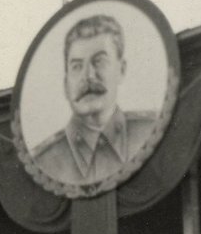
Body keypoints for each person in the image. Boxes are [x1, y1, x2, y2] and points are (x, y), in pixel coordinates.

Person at [31, 14, 157, 186]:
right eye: (77, 66)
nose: (89, 76)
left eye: (99, 62)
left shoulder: (150, 130)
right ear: (66, 84)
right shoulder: (44, 161)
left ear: (121, 70)